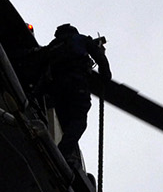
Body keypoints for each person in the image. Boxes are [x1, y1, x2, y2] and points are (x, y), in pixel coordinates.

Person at [31, 24, 112, 168]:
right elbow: (99, 58)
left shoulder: (52, 47)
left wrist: (34, 95)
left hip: (57, 91)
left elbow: (41, 71)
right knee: (79, 121)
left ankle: (67, 154)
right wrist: (105, 76)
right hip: (76, 85)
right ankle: (61, 153)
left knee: (67, 125)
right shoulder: (80, 39)